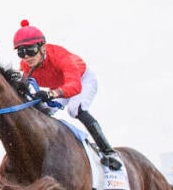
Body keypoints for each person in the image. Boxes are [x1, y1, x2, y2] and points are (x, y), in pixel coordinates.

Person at [14, 20, 122, 170]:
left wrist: (52, 93)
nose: (26, 57)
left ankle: (109, 152)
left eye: (30, 50)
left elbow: (75, 86)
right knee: (40, 111)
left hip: (82, 80)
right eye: (21, 52)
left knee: (75, 109)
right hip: (58, 87)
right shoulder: (26, 65)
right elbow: (23, 87)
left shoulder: (61, 56)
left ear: (42, 48)